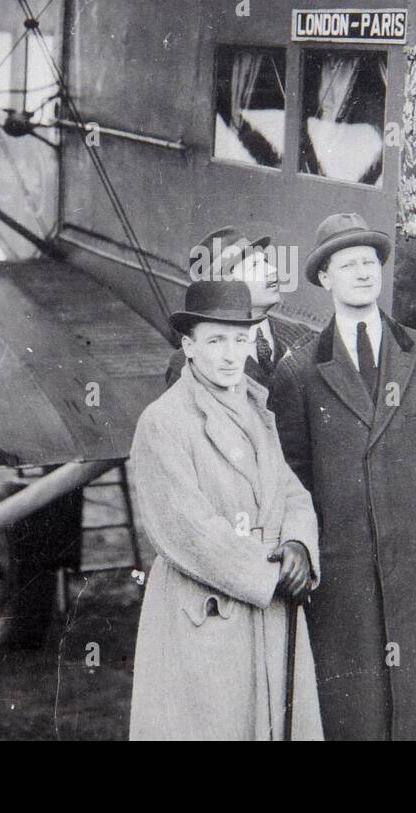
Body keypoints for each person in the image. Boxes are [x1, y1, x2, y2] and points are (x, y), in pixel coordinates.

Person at [270, 213, 416, 740]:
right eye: (347, 263)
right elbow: (292, 482)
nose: (362, 272)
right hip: (348, 586)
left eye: (370, 261)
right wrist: (316, 554)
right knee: (362, 720)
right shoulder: (300, 372)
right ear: (325, 278)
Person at [128, 280, 321, 740]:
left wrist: (298, 545)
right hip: (205, 614)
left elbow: (291, 491)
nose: (231, 354)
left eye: (241, 339)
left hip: (269, 612)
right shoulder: (163, 421)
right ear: (189, 346)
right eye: (216, 340)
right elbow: (187, 527)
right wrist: (268, 572)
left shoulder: (257, 408)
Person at [165, 226, 299, 390]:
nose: (273, 270)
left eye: (266, 261)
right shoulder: (187, 364)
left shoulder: (302, 337)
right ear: (224, 285)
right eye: (255, 266)